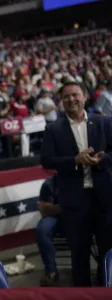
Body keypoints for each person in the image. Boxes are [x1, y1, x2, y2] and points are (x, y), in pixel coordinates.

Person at [40, 81, 112, 287]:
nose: (71, 99)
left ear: (85, 96)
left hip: (104, 199)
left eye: (75, 95)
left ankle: (105, 288)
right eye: (66, 96)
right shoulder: (53, 129)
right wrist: (74, 160)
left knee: (107, 252)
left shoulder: (104, 122)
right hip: (74, 203)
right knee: (79, 253)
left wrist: (103, 160)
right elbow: (46, 160)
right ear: (61, 101)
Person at [36, 174, 62, 286]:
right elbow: (45, 211)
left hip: (82, 216)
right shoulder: (49, 184)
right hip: (57, 218)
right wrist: (68, 205)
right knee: (42, 229)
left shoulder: (85, 180)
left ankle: (104, 268)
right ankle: (51, 271)